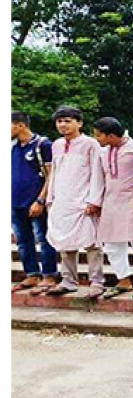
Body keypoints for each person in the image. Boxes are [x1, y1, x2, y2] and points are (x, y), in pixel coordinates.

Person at [44, 106, 105, 298]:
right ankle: (68, 281)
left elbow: (97, 172)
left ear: (79, 123)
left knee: (92, 243)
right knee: (64, 242)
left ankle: (97, 281)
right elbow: (54, 171)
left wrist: (94, 199)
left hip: (84, 199)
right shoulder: (57, 145)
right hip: (62, 200)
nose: (63, 125)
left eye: (67, 121)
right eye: (60, 121)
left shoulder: (90, 144)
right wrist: (50, 197)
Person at [93, 117, 133, 299]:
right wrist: (96, 201)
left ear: (111, 135)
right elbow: (99, 179)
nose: (97, 139)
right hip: (110, 201)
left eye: (99, 135)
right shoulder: (103, 152)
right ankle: (123, 279)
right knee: (112, 244)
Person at [11, 111, 58, 294]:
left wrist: (41, 199)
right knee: (23, 241)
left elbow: (51, 174)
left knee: (45, 238)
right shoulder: (12, 147)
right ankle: (32, 273)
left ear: (20, 125)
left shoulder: (42, 145)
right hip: (15, 202)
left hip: (37, 201)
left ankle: (49, 274)